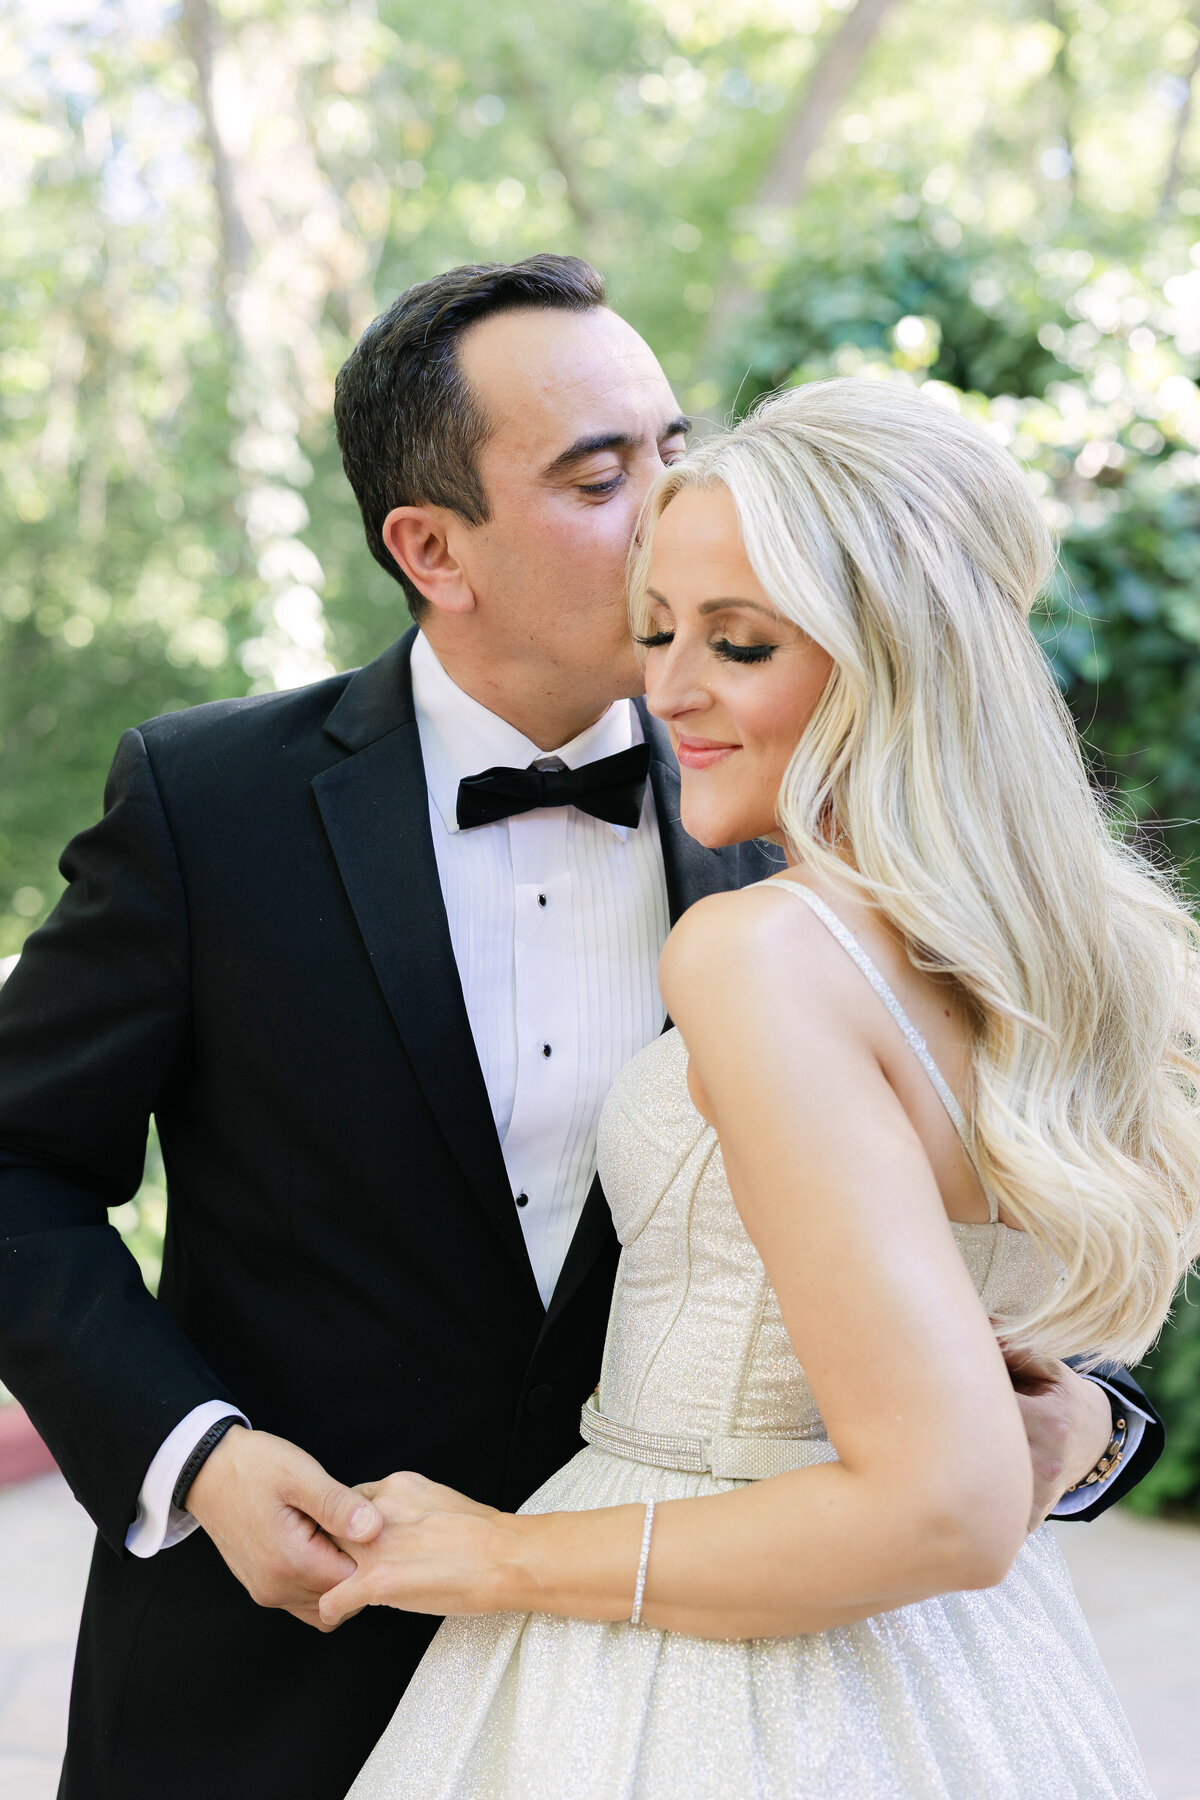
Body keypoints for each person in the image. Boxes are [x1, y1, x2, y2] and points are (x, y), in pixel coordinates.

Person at [0, 263, 1157, 1800]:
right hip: (268, 1670)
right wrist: (197, 1456)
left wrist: (1078, 1418)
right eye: (602, 476)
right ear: (432, 548)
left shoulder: (801, 815)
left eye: (675, 445)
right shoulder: (206, 805)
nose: (672, 501)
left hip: (723, 1676)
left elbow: (1003, 1194)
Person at [326, 379, 1200, 1800]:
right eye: (658, 629)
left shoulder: (761, 951)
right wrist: (1077, 1421)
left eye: (739, 644)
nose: (668, 689)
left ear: (899, 658)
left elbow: (944, 1507)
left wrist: (499, 1558)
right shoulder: (1069, 955)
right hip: (975, 1671)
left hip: (700, 1679)